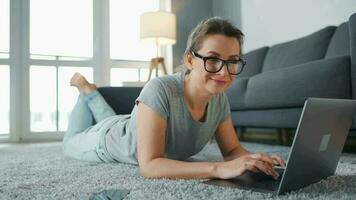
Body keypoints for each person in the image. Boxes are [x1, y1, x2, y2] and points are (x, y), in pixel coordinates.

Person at [63, 17, 285, 180]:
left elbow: (232, 151)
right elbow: (149, 166)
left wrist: (257, 159)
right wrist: (217, 169)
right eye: (213, 60)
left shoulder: (219, 99)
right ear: (190, 60)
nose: (224, 72)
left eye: (233, 61)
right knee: (69, 142)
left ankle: (92, 94)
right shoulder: (160, 89)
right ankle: (87, 91)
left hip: (125, 126)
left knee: (118, 123)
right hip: (103, 141)